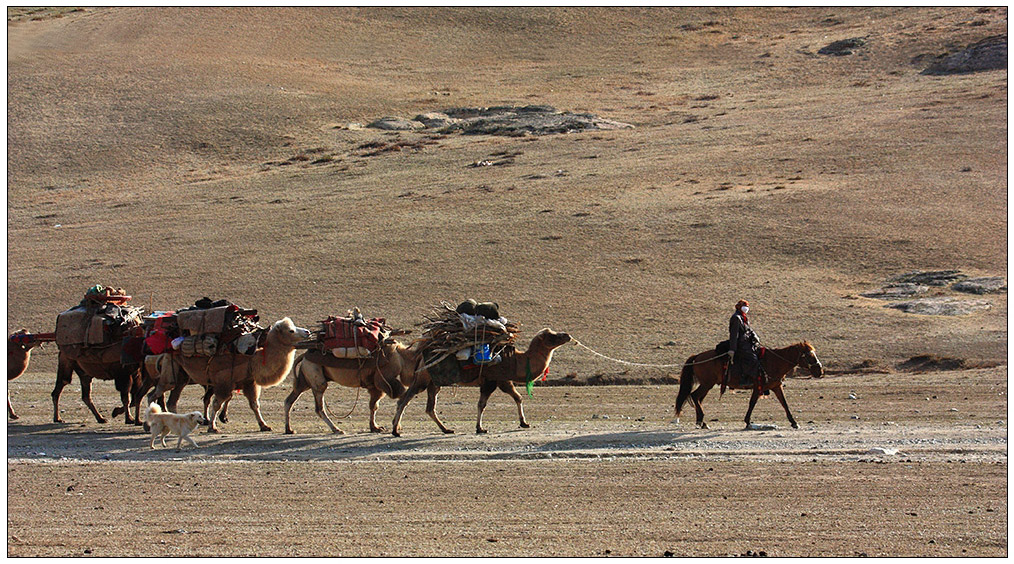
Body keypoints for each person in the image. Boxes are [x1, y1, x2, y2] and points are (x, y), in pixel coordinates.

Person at [728, 299, 761, 386]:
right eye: (744, 306)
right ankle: (745, 379)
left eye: (747, 306)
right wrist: (732, 349)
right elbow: (734, 335)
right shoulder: (736, 318)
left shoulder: (743, 317)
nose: (746, 308)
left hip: (747, 343)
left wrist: (755, 336)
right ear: (739, 307)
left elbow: (749, 330)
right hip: (741, 345)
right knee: (752, 359)